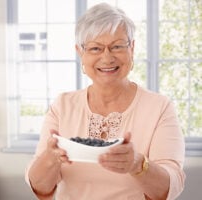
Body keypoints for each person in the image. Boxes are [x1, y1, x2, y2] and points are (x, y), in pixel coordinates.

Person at [25, 2, 185, 200]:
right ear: (80, 52)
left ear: (132, 48)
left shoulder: (160, 107)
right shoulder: (62, 106)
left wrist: (138, 165)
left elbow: (171, 186)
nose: (107, 57)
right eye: (95, 48)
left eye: (117, 46)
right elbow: (39, 187)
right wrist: (50, 159)